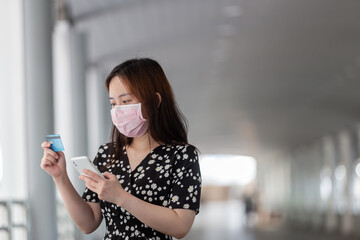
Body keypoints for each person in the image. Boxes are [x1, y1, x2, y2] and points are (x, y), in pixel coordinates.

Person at [40, 58, 202, 239]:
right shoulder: (107, 153)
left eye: (126, 101)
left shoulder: (182, 156)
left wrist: (121, 197)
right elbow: (88, 223)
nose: (118, 110)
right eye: (113, 104)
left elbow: (180, 226)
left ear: (155, 100)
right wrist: (60, 177)